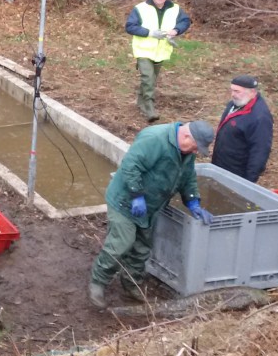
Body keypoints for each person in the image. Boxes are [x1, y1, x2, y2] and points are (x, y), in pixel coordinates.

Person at [88, 120, 215, 309]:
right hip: (125, 201)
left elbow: (187, 177)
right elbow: (131, 165)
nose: (196, 152)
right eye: (196, 147)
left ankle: (131, 284)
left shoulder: (186, 152)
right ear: (187, 136)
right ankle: (98, 283)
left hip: (151, 206)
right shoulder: (155, 139)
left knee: (142, 248)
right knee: (121, 244)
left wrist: (193, 201)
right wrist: (136, 195)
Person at [125, 0, 192, 122]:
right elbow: (130, 27)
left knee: (151, 79)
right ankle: (149, 107)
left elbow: (185, 21)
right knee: (148, 77)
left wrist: (176, 30)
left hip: (161, 51)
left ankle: (140, 101)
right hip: (143, 49)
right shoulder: (140, 8)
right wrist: (150, 33)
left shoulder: (175, 9)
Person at [212, 75, 273, 182]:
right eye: (232, 90)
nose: (233, 95)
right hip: (221, 165)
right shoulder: (235, 104)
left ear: (252, 92)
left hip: (237, 173)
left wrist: (248, 182)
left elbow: (260, 151)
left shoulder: (259, 117)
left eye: (237, 91)